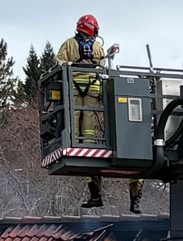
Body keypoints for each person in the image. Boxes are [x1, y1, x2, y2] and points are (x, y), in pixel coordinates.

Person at [56, 14, 144, 213]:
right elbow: (102, 65)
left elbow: (60, 61)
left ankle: (79, 142)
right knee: (87, 116)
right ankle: (85, 143)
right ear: (93, 30)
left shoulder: (69, 44)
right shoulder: (97, 47)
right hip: (93, 84)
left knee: (76, 117)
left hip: (74, 85)